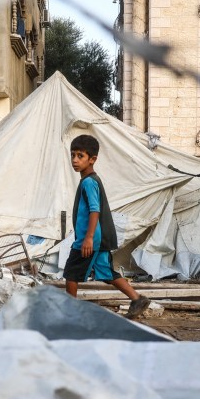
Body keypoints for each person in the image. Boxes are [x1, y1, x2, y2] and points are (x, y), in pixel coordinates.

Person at [63, 134, 150, 319]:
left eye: (80, 156)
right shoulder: (91, 180)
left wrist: (87, 238)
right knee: (106, 272)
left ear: (92, 159)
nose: (75, 160)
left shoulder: (88, 182)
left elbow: (95, 210)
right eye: (72, 155)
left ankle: (69, 312)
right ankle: (137, 299)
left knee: (71, 274)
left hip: (90, 239)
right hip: (97, 239)